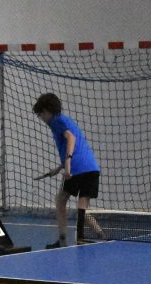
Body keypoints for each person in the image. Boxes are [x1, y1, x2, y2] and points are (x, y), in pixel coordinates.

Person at [33, 93, 101, 248]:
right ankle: (100, 234)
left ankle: (64, 240)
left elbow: (71, 138)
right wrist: (59, 168)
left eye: (41, 114)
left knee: (61, 200)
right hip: (91, 168)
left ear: (48, 111)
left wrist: (68, 163)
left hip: (76, 168)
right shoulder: (65, 120)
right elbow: (76, 148)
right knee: (82, 207)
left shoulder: (56, 121)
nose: (41, 118)